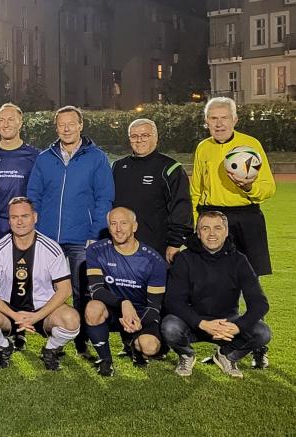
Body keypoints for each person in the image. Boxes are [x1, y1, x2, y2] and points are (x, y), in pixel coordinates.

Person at [25, 105, 114, 357]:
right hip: (48, 238)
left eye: (71, 123)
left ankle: (82, 340)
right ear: (56, 128)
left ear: (80, 125)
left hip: (81, 239)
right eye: (61, 124)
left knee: (80, 290)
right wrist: (37, 232)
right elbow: (34, 196)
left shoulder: (96, 158)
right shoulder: (45, 158)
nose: (66, 128)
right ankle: (57, 335)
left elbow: (104, 198)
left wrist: (94, 233)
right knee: (49, 290)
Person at [0, 197, 80, 371]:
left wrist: (35, 317)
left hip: (43, 311)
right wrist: (15, 316)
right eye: (14, 217)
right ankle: (4, 346)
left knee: (71, 319)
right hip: (8, 311)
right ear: (9, 220)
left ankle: (50, 349)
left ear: (35, 217)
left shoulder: (51, 249)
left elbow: (65, 290)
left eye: (24, 216)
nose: (19, 221)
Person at [162, 211, 271, 378]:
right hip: (193, 323)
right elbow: (173, 301)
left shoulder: (239, 260)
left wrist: (237, 326)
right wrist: (201, 323)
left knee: (262, 332)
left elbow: (259, 302)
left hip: (227, 324)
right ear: (198, 233)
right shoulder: (184, 259)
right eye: (205, 228)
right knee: (170, 326)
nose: (212, 233)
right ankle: (186, 355)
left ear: (226, 232)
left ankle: (227, 355)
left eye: (217, 228)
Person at [190, 97, 275, 276]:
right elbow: (195, 190)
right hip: (212, 217)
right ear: (206, 122)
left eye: (225, 118)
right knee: (213, 276)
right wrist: (194, 220)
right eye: (213, 118)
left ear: (234, 120)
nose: (219, 124)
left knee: (249, 277)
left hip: (247, 217)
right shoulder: (203, 148)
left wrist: (249, 188)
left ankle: (251, 305)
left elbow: (269, 187)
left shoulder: (251, 145)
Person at [83, 207, 167, 376]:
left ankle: (134, 346)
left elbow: (154, 306)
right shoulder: (96, 250)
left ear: (134, 226)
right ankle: (105, 360)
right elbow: (96, 290)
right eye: (113, 224)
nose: (118, 229)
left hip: (141, 314)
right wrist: (123, 303)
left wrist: (136, 322)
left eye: (123, 223)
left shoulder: (153, 259)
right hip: (112, 309)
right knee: (92, 308)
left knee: (150, 347)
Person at [112, 118, 192, 261]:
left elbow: (182, 207)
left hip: (156, 246)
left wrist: (175, 242)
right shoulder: (117, 167)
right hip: (122, 245)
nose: (139, 140)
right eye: (134, 136)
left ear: (156, 137)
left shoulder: (170, 168)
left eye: (145, 135)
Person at [0, 103, 39, 247]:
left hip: (22, 224)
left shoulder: (35, 156)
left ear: (20, 123)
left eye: (10, 119)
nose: (5, 124)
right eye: (1, 120)